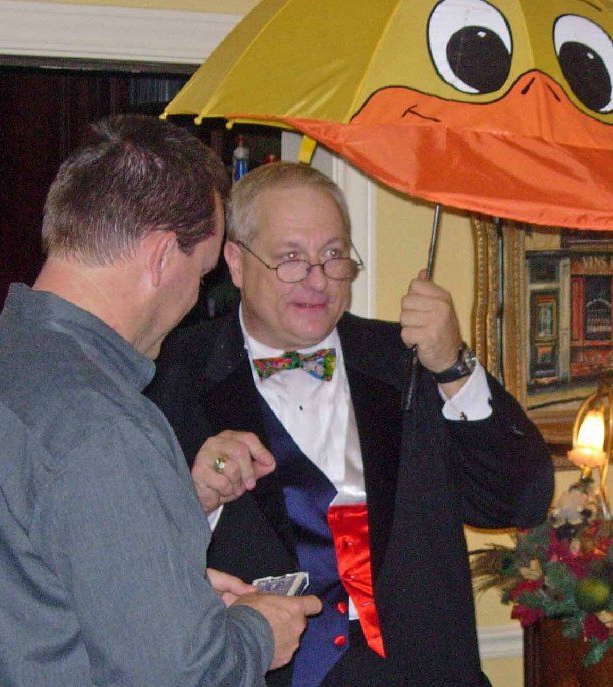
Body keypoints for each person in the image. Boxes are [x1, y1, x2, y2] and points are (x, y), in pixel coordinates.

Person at [0, 116, 321, 687]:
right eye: (201, 274)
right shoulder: (104, 423)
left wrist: (175, 598)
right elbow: (183, 676)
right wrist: (258, 633)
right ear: (162, 256)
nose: (195, 299)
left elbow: (4, 594)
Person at [146, 161, 555, 687]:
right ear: (236, 262)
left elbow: (519, 500)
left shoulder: (409, 359)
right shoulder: (169, 376)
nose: (318, 280)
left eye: (334, 255)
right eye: (291, 258)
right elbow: (129, 567)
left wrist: (455, 367)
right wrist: (195, 499)